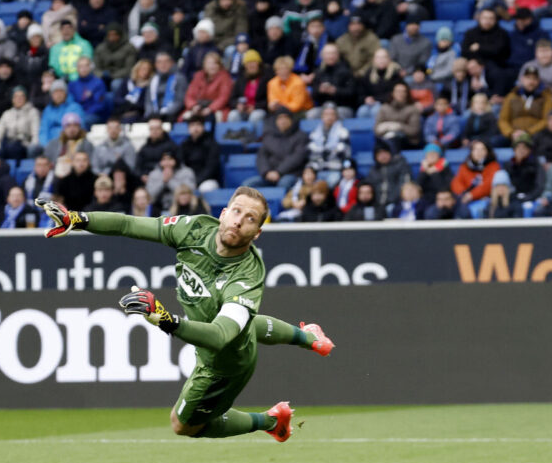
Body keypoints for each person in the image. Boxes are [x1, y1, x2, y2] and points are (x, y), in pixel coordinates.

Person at [34, 188, 334, 440]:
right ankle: (307, 336)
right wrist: (80, 219)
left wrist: (166, 320)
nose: (240, 221)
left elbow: (218, 338)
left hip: (224, 362)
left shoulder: (247, 276)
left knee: (183, 425)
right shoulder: (194, 229)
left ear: (257, 233)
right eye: (237, 211)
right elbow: (128, 224)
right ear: (223, 213)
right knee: (248, 324)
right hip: (228, 330)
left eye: (250, 219)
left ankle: (271, 422)